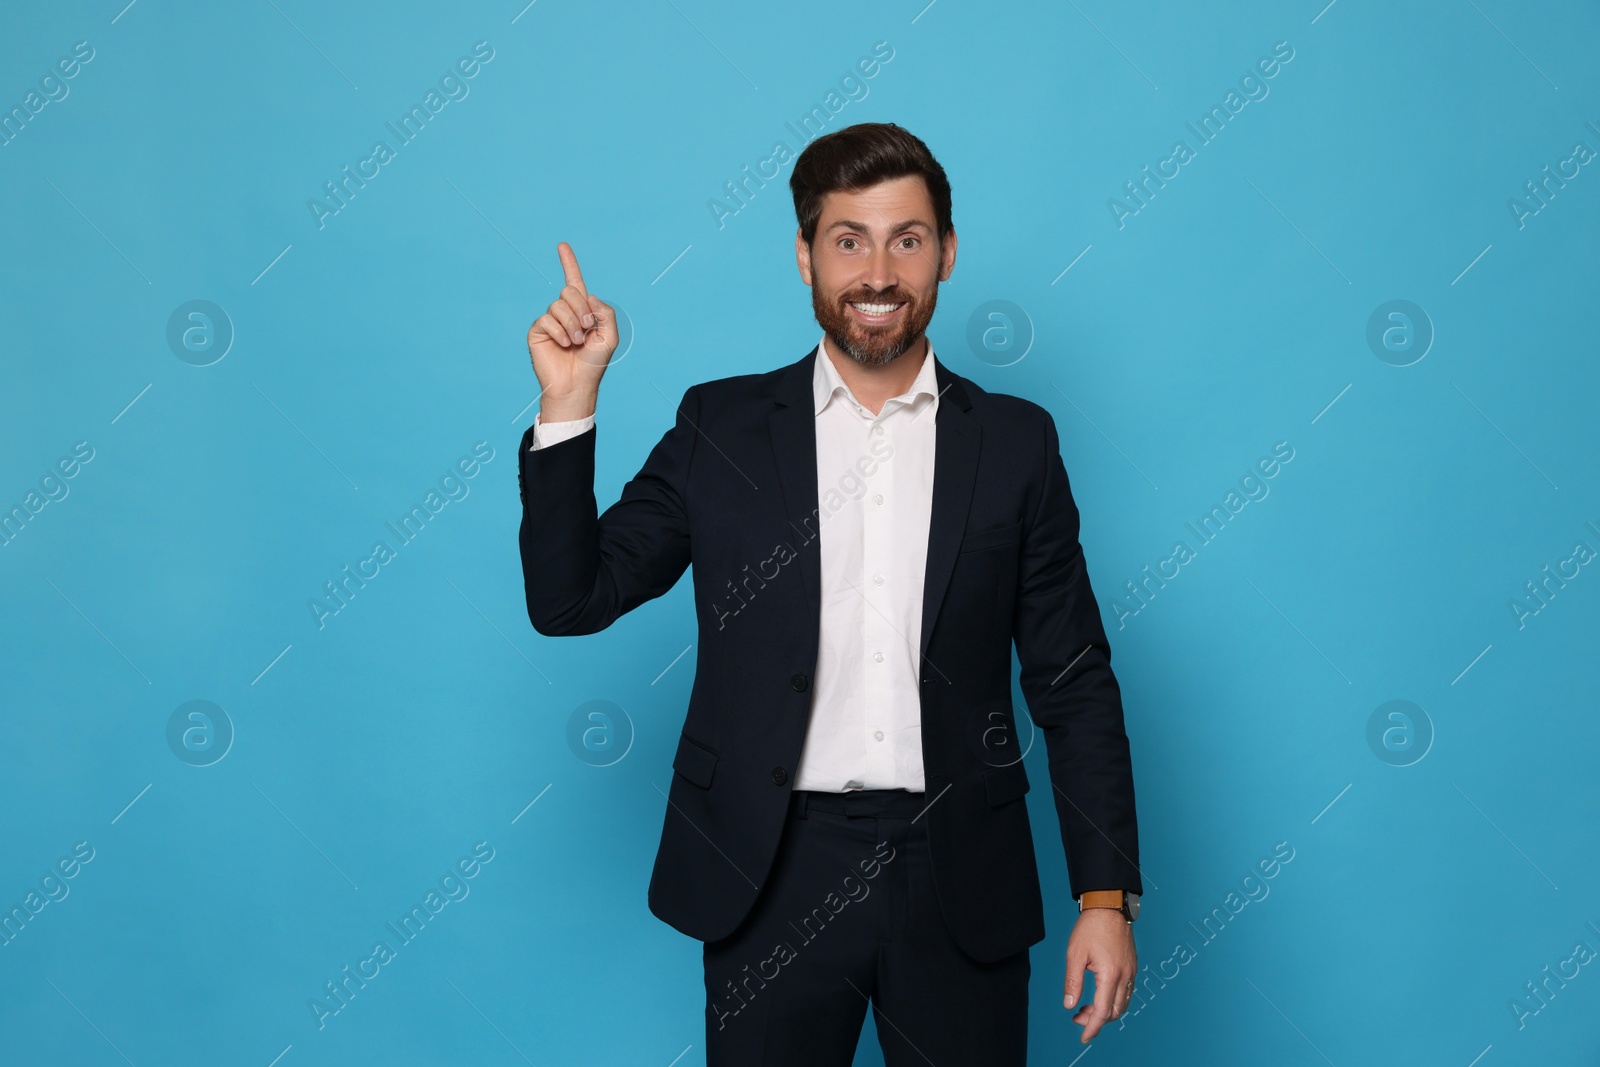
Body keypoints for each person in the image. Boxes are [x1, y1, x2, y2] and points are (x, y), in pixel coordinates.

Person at [518, 122, 1143, 1065]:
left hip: (960, 873)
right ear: (805, 255)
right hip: (772, 871)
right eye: (849, 239)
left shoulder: (1017, 444)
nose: (879, 272)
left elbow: (1073, 678)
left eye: (908, 238)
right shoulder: (720, 424)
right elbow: (571, 600)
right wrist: (569, 404)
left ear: (948, 253)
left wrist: (1105, 896)